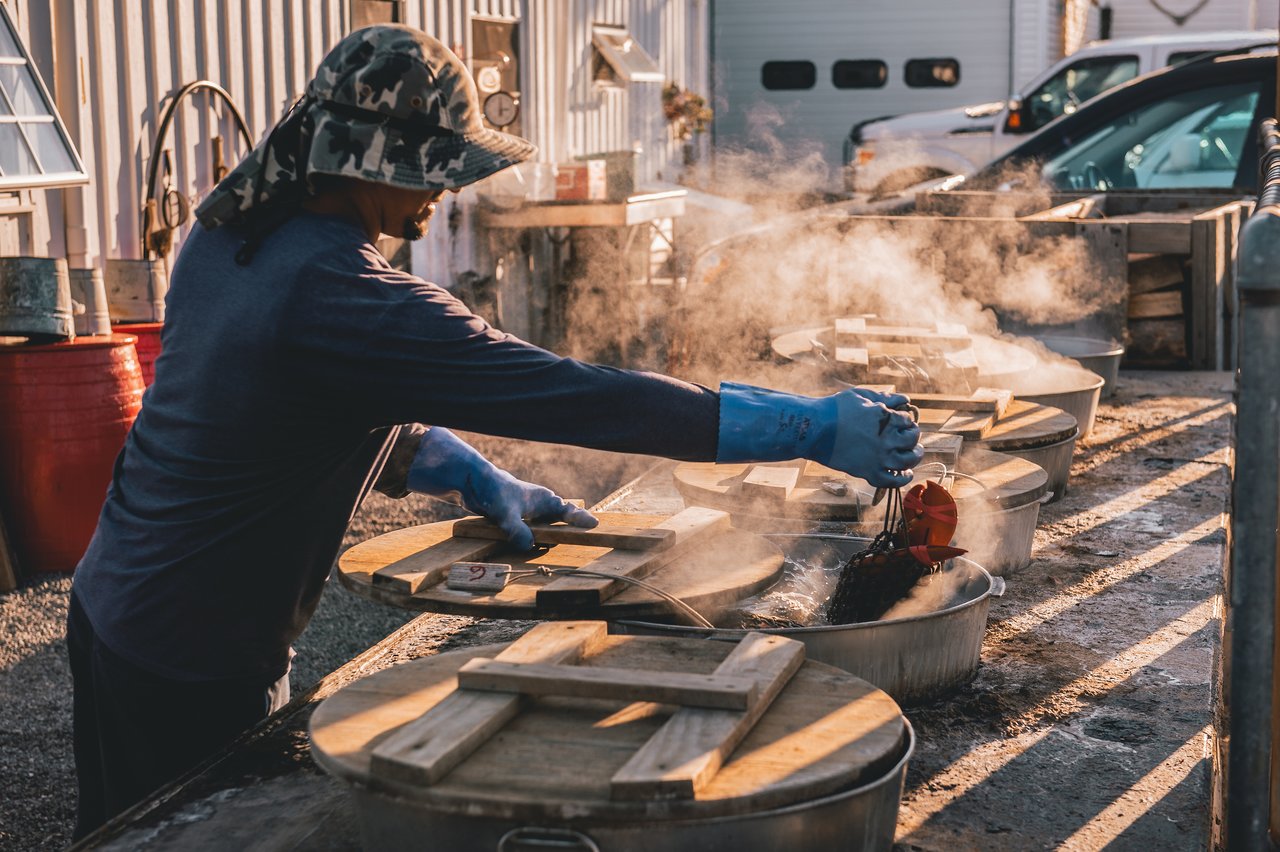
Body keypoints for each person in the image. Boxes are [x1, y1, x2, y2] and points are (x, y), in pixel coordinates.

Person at [65, 24, 921, 839]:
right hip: (192, 647)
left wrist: (441, 458)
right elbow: (585, 399)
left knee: (116, 830)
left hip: (111, 601)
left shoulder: (233, 235)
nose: (447, 191)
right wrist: (803, 423)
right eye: (436, 169)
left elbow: (260, 402)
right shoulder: (344, 292)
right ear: (376, 162)